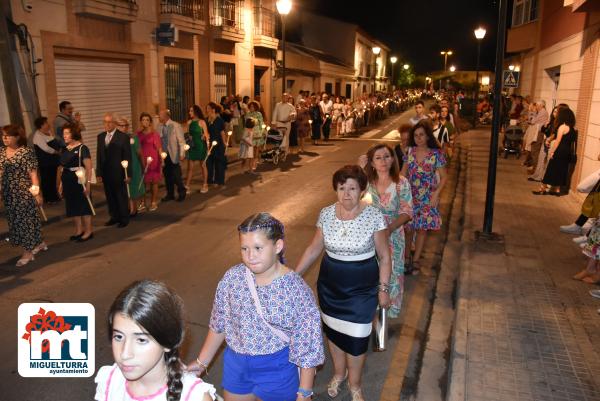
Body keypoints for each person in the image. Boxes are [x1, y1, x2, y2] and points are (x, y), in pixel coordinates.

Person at [190, 213, 324, 401]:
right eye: (244, 248)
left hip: (277, 369)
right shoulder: (233, 278)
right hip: (236, 367)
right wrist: (201, 362)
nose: (250, 256)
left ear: (277, 246)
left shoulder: (296, 290)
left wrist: (304, 392)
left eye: (258, 248)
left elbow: (307, 347)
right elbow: (219, 322)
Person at [295, 165, 391, 401]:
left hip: (362, 286)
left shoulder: (374, 215)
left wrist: (383, 289)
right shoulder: (326, 213)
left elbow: (385, 256)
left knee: (358, 337)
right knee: (334, 332)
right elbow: (314, 248)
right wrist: (293, 276)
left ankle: (355, 383)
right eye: (341, 188)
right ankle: (339, 373)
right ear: (335, 189)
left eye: (352, 188)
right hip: (330, 284)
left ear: (362, 190)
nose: (346, 193)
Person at [95, 280, 216, 401]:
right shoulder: (110, 381)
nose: (124, 354)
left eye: (141, 340)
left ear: (168, 341)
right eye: (119, 337)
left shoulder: (194, 397)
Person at [364, 144, 413, 318]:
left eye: (386, 156)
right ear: (371, 162)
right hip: (369, 237)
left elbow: (407, 211)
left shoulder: (401, 183)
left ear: (393, 159)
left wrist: (390, 228)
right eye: (378, 157)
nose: (383, 161)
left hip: (393, 237)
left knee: (391, 274)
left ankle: (385, 315)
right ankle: (369, 311)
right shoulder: (366, 183)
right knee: (370, 273)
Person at [401, 120, 447, 274]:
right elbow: (403, 174)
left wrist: (436, 194)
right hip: (411, 195)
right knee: (408, 229)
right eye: (415, 135)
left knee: (421, 229)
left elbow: (444, 177)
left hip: (427, 196)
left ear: (427, 136)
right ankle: (406, 258)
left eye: (421, 135)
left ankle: (415, 261)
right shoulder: (410, 152)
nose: (418, 138)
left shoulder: (436, 154)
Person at [0, 125, 47, 267]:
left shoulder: (26, 152)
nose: (5, 138)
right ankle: (39, 242)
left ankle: (28, 252)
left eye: (8, 135)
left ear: (17, 137)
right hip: (9, 193)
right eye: (3, 135)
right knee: (16, 221)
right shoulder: (1, 152)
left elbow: (33, 174)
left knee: (25, 222)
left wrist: (37, 193)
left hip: (24, 192)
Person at [58, 123, 94, 242]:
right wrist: (60, 184)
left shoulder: (82, 148)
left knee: (84, 205)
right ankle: (79, 230)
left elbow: (89, 167)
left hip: (80, 180)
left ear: (74, 134)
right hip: (67, 180)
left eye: (67, 133)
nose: (65, 136)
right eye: (63, 134)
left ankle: (88, 231)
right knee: (73, 206)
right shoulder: (64, 149)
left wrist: (88, 184)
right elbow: (62, 167)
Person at [96, 112, 132, 228]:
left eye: (109, 122)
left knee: (120, 196)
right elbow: (99, 156)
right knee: (110, 196)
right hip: (106, 173)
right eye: (105, 122)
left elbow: (127, 156)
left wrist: (128, 174)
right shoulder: (101, 137)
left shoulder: (123, 137)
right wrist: (99, 172)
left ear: (114, 124)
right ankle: (114, 216)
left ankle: (124, 218)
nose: (106, 124)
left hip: (119, 173)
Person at [533, 108, 577, 196]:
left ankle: (542, 189)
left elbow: (558, 141)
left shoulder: (562, 127)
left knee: (550, 169)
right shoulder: (572, 129)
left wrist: (552, 151)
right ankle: (557, 190)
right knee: (562, 170)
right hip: (567, 151)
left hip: (560, 150)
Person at [116, 117, 144, 217]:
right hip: (121, 166)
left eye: (125, 126)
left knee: (132, 186)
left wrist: (143, 165)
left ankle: (133, 208)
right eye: (120, 126)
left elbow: (139, 152)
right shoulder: (116, 138)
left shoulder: (132, 137)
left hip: (133, 165)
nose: (123, 128)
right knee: (124, 187)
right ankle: (127, 207)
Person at [157, 109, 186, 202]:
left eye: (160, 115)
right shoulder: (159, 126)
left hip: (174, 154)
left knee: (177, 175)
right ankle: (170, 194)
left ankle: (182, 192)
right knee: (167, 175)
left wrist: (182, 153)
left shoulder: (175, 125)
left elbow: (181, 141)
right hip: (164, 155)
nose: (158, 117)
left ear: (166, 116)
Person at [137, 112, 163, 212]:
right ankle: (142, 203)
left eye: (147, 120)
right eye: (143, 120)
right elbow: (137, 148)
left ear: (150, 122)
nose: (145, 122)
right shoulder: (138, 134)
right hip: (142, 160)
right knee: (143, 182)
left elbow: (159, 148)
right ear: (140, 122)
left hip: (153, 160)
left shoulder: (154, 134)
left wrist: (162, 160)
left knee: (154, 182)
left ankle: (153, 202)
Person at [32, 116, 61, 203]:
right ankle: (48, 198)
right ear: (41, 125)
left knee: (52, 179)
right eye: (46, 123)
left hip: (52, 161)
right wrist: (56, 152)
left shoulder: (48, 132)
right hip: (45, 162)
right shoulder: (38, 135)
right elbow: (46, 148)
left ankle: (54, 196)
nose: (48, 125)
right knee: (46, 180)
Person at [185, 105, 209, 194]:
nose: (189, 113)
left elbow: (207, 135)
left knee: (203, 166)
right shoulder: (189, 122)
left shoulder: (202, 122)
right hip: (192, 146)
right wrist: (189, 137)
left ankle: (205, 184)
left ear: (196, 112)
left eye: (191, 111)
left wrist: (204, 136)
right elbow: (187, 134)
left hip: (201, 146)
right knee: (190, 167)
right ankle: (187, 186)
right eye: (189, 111)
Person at [206, 102, 228, 187]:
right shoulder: (206, 120)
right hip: (209, 145)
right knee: (209, 163)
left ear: (213, 110)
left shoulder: (219, 120)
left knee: (219, 163)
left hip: (218, 145)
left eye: (208, 109)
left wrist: (224, 142)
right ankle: (210, 180)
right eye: (206, 109)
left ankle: (219, 180)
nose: (207, 110)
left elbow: (222, 132)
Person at [246, 101, 265, 172]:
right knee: (250, 152)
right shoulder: (247, 114)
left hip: (257, 133)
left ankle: (254, 165)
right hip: (250, 134)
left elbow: (261, 123)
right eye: (250, 107)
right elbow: (246, 124)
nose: (251, 108)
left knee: (256, 150)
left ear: (256, 107)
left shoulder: (258, 114)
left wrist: (263, 131)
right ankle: (250, 167)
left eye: (253, 107)